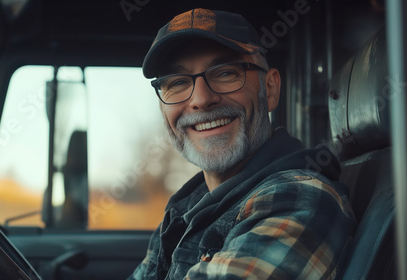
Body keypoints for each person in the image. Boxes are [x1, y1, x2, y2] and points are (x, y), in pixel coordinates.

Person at [128, 8, 356, 279]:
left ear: (269, 89)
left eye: (225, 73)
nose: (200, 99)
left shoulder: (300, 199)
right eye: (177, 82)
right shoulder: (186, 206)